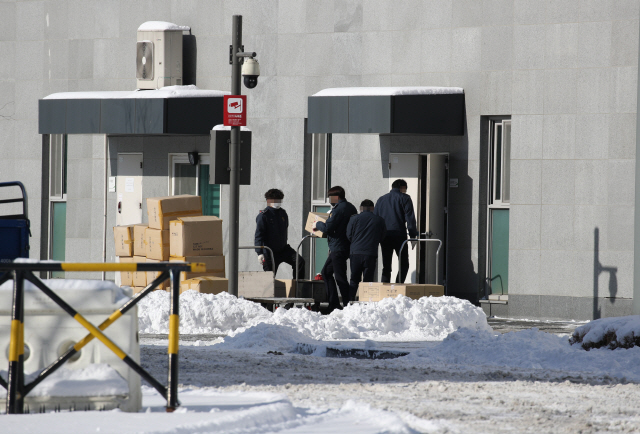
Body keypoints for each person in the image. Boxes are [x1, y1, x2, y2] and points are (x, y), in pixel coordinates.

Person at [312, 186, 357, 311]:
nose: (330, 200)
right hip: (345, 245)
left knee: (339, 277)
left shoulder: (338, 210)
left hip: (338, 246)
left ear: (336, 197)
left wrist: (318, 223)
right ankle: (335, 303)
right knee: (327, 273)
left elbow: (328, 228)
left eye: (330, 197)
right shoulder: (351, 207)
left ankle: (346, 304)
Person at [374, 179, 418, 283]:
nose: (405, 191)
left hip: (384, 236)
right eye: (405, 189)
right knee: (404, 264)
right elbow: (410, 219)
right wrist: (413, 236)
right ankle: (398, 287)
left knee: (386, 266)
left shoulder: (381, 199)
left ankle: (385, 290)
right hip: (399, 236)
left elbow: (375, 219)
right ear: (402, 187)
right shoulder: (405, 198)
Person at [254, 189, 305, 279]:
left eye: (279, 200)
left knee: (299, 261)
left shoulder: (282, 213)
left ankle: (297, 288)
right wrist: (259, 253)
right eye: (275, 200)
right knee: (269, 279)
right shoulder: (263, 216)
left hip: (283, 249)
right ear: (268, 200)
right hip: (270, 252)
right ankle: (269, 293)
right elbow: (259, 235)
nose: (278, 202)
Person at [346, 199, 386, 301]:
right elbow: (383, 236)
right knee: (368, 281)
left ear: (361, 208)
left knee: (354, 279)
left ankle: (350, 302)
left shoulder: (354, 219)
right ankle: (365, 302)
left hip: (355, 253)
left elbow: (348, 235)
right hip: (370, 253)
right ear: (372, 208)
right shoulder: (379, 220)